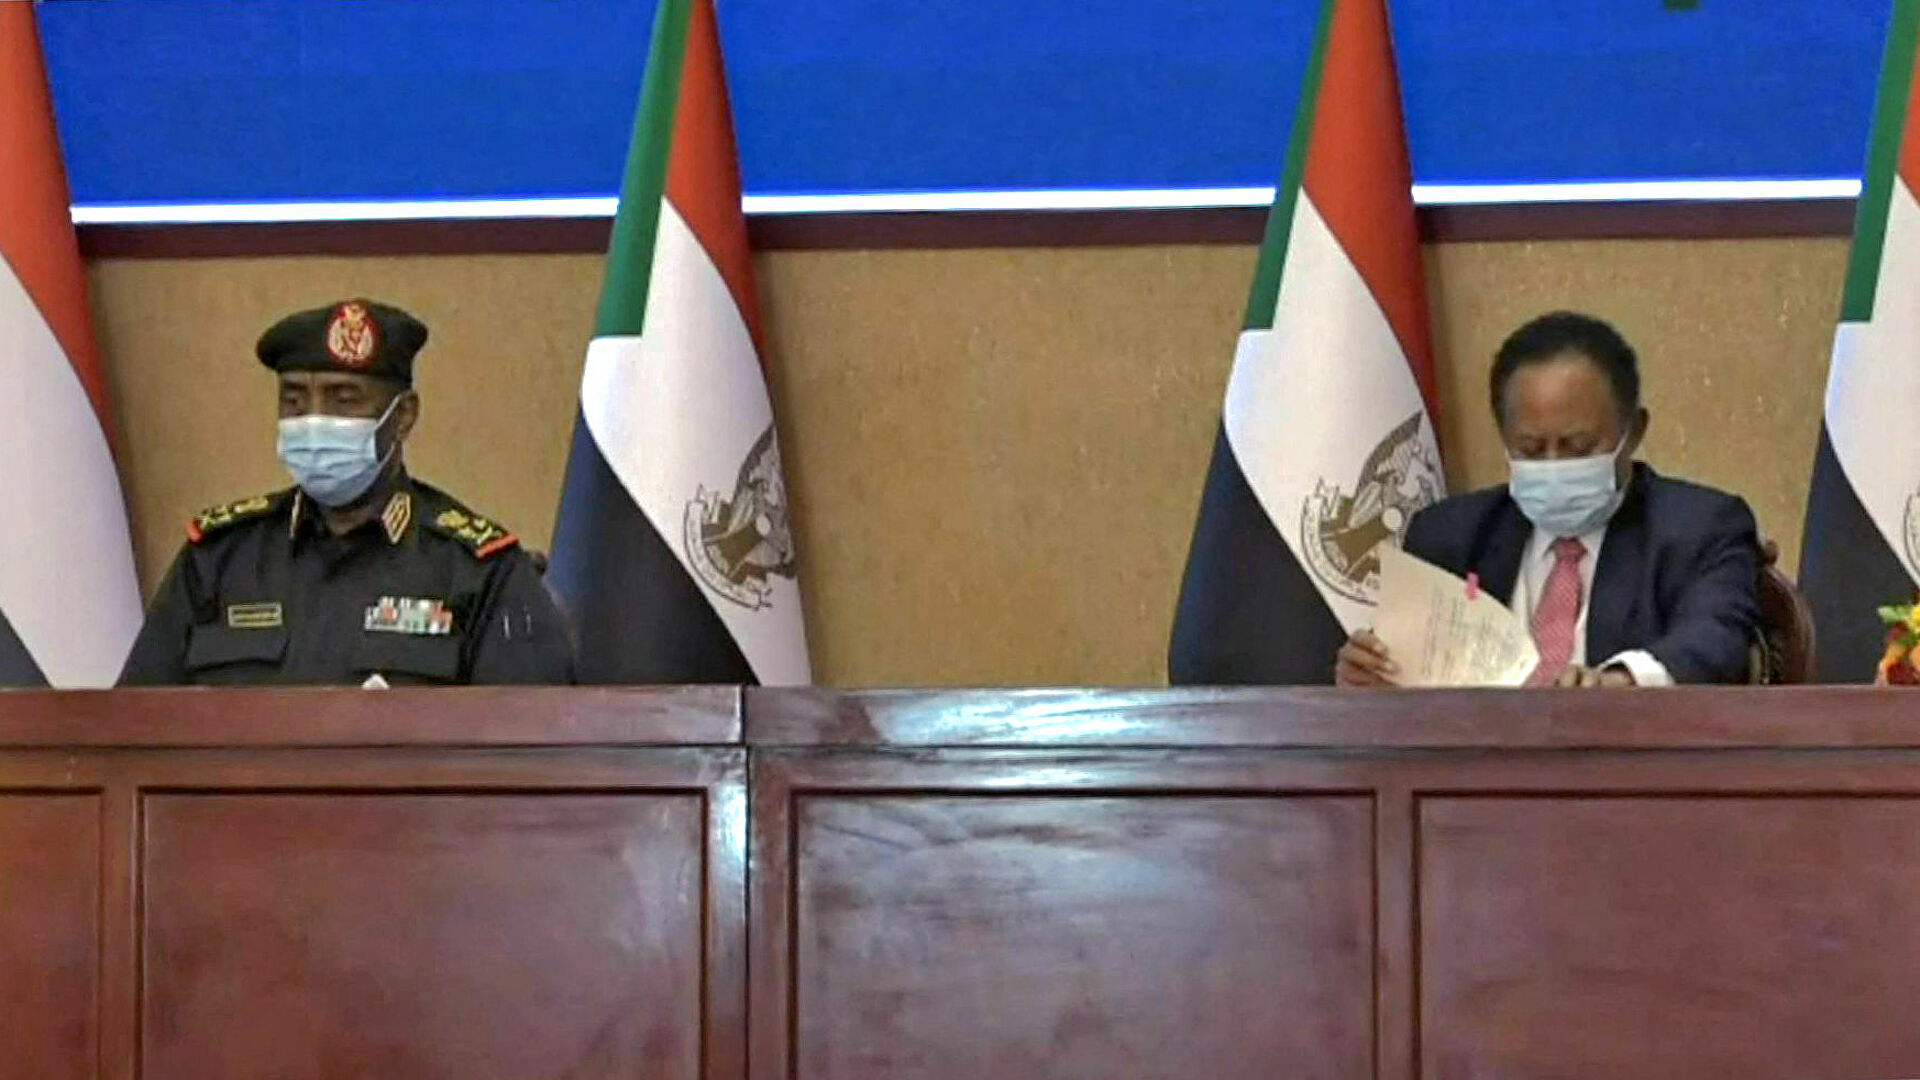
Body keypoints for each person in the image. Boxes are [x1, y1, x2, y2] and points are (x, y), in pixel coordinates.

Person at [119, 300, 574, 686]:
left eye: (344, 399)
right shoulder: (218, 559)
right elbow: (132, 727)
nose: (314, 421)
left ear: (403, 416)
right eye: (294, 400)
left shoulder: (476, 570)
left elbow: (530, 744)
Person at [1336, 311, 1759, 688]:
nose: (1554, 465)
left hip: (1632, 750)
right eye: (1531, 449)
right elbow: (1412, 680)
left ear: (1634, 431)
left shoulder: (1699, 528)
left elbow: (1716, 639)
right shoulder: (1450, 536)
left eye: (1579, 447)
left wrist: (1623, 682)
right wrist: (1371, 677)